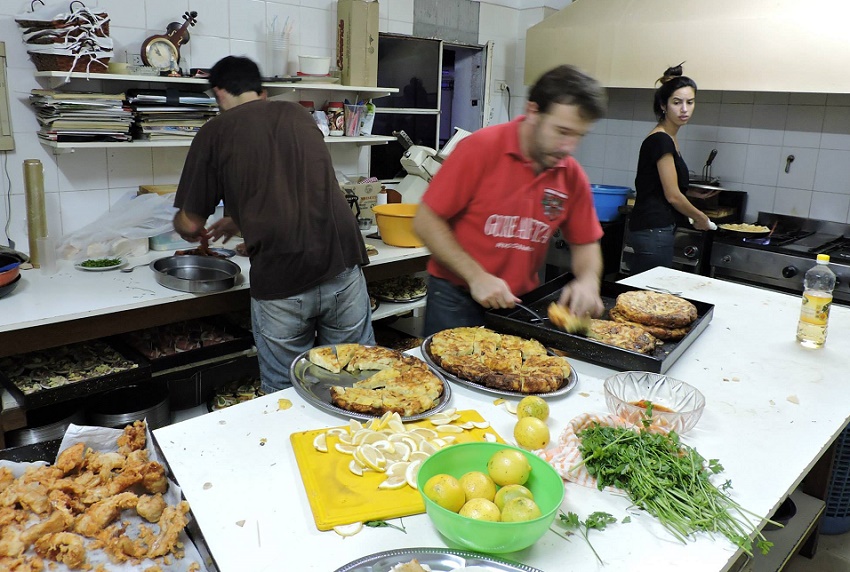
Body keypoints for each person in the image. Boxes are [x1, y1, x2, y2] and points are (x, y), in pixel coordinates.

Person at [172, 55, 374, 393]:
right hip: (342, 268)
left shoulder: (214, 132)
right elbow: (291, 184)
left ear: (220, 92)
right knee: (355, 379)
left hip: (283, 281)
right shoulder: (297, 114)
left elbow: (191, 224)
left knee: (287, 388)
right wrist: (239, 219)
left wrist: (183, 224)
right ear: (260, 90)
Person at [413, 64, 608, 337]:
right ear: (533, 112)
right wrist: (476, 276)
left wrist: (588, 281)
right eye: (562, 131)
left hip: (520, 303)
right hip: (457, 299)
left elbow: (585, 243)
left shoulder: (571, 174)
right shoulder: (480, 149)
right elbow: (425, 221)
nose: (569, 147)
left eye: (578, 136)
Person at [628, 64, 712, 274]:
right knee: (650, 297)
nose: (684, 109)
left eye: (690, 102)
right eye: (677, 102)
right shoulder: (661, 140)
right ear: (663, 105)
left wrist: (691, 192)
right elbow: (672, 196)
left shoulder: (669, 137)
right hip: (653, 230)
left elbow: (660, 183)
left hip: (653, 228)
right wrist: (701, 218)